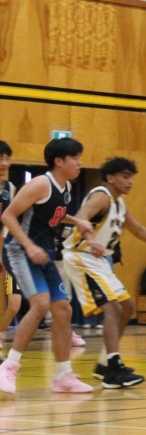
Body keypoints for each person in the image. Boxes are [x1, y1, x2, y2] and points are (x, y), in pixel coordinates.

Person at [63, 157, 146, 388]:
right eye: (125, 176)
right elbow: (81, 216)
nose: (130, 181)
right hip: (81, 257)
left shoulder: (119, 204)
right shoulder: (102, 195)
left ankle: (104, 364)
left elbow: (139, 231)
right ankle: (113, 368)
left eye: (131, 177)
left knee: (128, 307)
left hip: (97, 260)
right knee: (113, 307)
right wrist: (91, 239)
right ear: (111, 177)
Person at [0, 138, 94, 394]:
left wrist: (78, 223)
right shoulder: (40, 184)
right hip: (19, 251)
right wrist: (29, 245)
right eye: (75, 158)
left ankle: (63, 375)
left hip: (43, 255)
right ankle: (8, 367)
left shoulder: (65, 189)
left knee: (62, 309)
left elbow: (56, 215)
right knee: (40, 304)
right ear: (59, 161)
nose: (80, 162)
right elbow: (7, 215)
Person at [0, 141, 20, 362]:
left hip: (7, 250)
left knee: (14, 304)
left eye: (7, 158)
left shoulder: (10, 188)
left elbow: (10, 220)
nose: (4, 163)